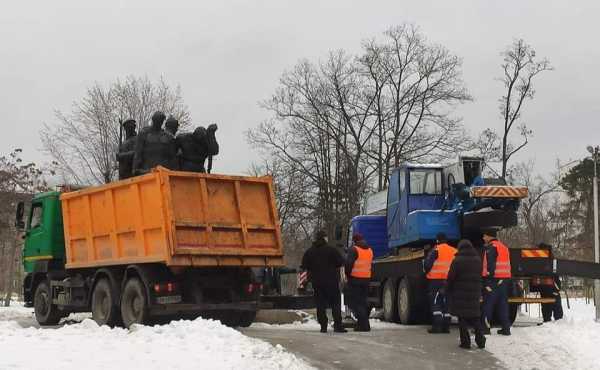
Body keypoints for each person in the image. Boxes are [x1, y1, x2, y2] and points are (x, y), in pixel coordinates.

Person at [301, 230, 347, 333]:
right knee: (335, 303)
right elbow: (341, 262)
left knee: (320, 304)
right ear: (324, 238)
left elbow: (304, 266)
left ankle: (323, 326)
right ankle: (338, 325)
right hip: (332, 281)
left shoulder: (310, 251)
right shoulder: (331, 250)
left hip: (317, 282)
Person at [446, 239, 486, 349]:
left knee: (462, 318)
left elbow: (451, 277)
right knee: (475, 317)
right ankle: (481, 340)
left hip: (460, 293)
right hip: (475, 292)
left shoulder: (457, 260)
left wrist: (447, 289)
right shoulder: (478, 260)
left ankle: (465, 342)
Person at [423, 232, 457, 333]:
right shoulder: (454, 251)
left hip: (435, 280)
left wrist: (426, 272)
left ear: (437, 240)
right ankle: (446, 326)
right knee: (447, 302)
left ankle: (437, 326)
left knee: (436, 302)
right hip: (450, 281)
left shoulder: (435, 250)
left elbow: (428, 265)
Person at [481, 229, 512, 336]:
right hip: (504, 279)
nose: (483, 238)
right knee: (503, 304)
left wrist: (487, 278)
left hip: (493, 280)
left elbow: (491, 265)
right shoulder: (503, 247)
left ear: (489, 237)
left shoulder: (491, 247)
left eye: (485, 236)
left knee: (488, 304)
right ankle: (506, 328)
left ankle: (485, 328)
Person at [345, 233, 373, 332]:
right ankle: (362, 324)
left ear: (354, 241)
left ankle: (364, 325)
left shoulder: (354, 250)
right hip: (366, 279)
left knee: (356, 303)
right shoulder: (370, 250)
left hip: (355, 279)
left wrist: (348, 275)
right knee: (363, 302)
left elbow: (348, 264)